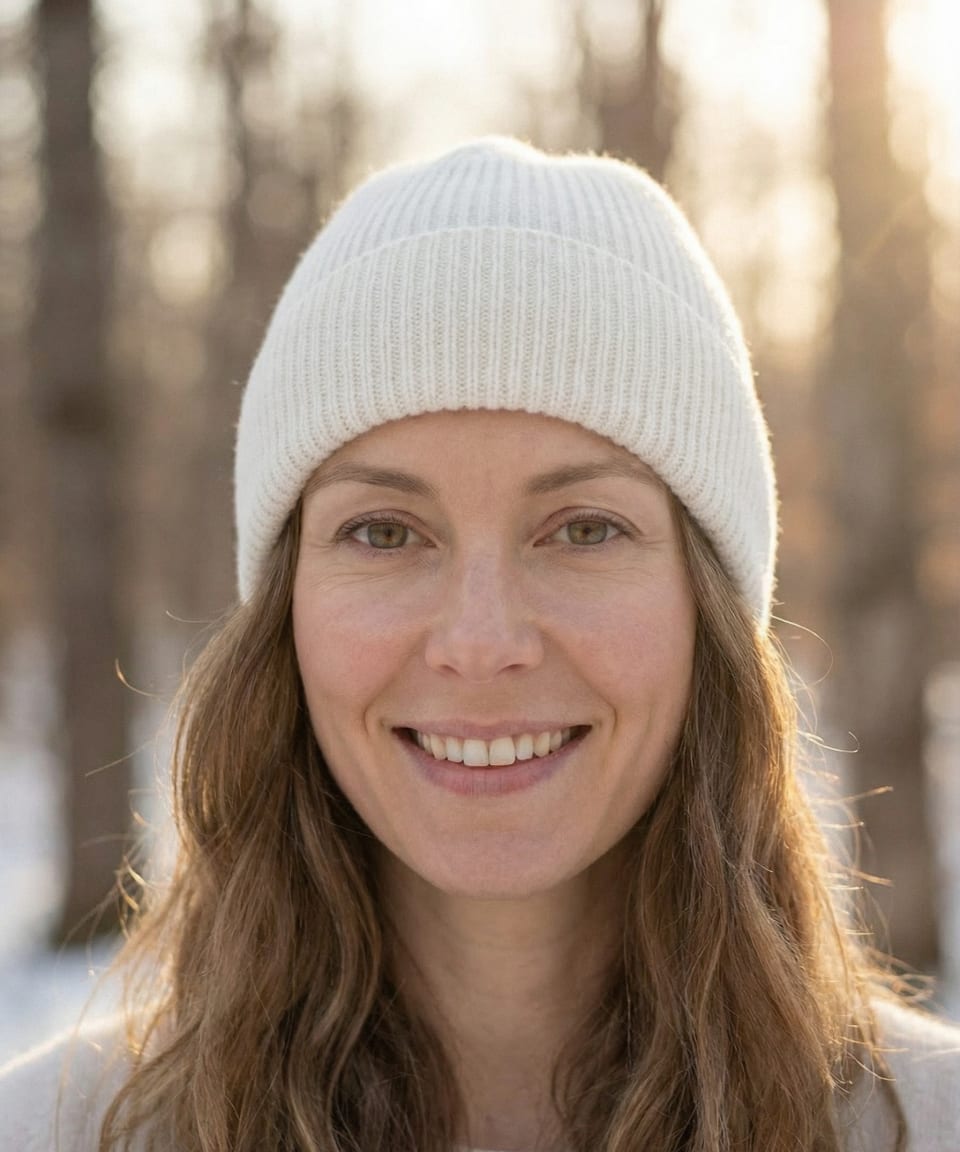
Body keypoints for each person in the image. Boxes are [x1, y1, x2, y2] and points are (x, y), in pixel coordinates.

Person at [1, 134, 958, 1152]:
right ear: (285, 613)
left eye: (585, 529)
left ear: (707, 606)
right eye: (383, 532)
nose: (480, 641)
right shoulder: (53, 1129)